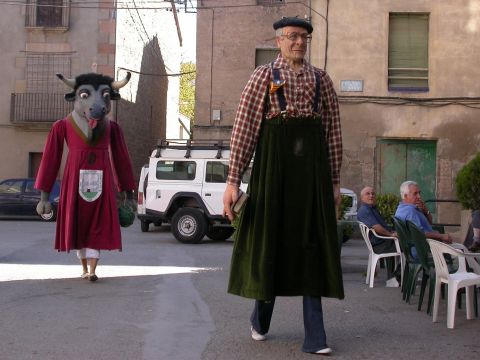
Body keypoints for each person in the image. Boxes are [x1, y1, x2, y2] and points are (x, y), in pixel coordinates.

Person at [223, 17, 344, 355]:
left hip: (312, 175)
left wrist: (334, 181)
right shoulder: (262, 77)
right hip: (273, 171)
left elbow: (333, 133)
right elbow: (245, 130)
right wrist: (233, 180)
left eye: (303, 37)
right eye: (292, 37)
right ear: (278, 41)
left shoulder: (322, 80)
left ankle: (316, 336)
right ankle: (260, 320)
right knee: (271, 242)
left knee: (312, 246)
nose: (299, 42)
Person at [357, 186, 400, 287]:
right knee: (409, 246)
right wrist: (391, 234)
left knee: (403, 242)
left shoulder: (372, 208)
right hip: (379, 244)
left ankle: (395, 276)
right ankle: (396, 276)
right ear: (362, 197)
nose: (371, 195)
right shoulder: (365, 210)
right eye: (368, 194)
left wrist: (392, 232)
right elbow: (376, 227)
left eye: (373, 193)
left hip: (382, 242)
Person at [395, 180, 453, 245]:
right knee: (459, 249)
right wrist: (441, 236)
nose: (419, 197)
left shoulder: (401, 208)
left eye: (419, 193)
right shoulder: (410, 211)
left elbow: (429, 223)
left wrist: (425, 211)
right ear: (405, 196)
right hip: (425, 248)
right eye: (415, 193)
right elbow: (419, 233)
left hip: (421, 246)